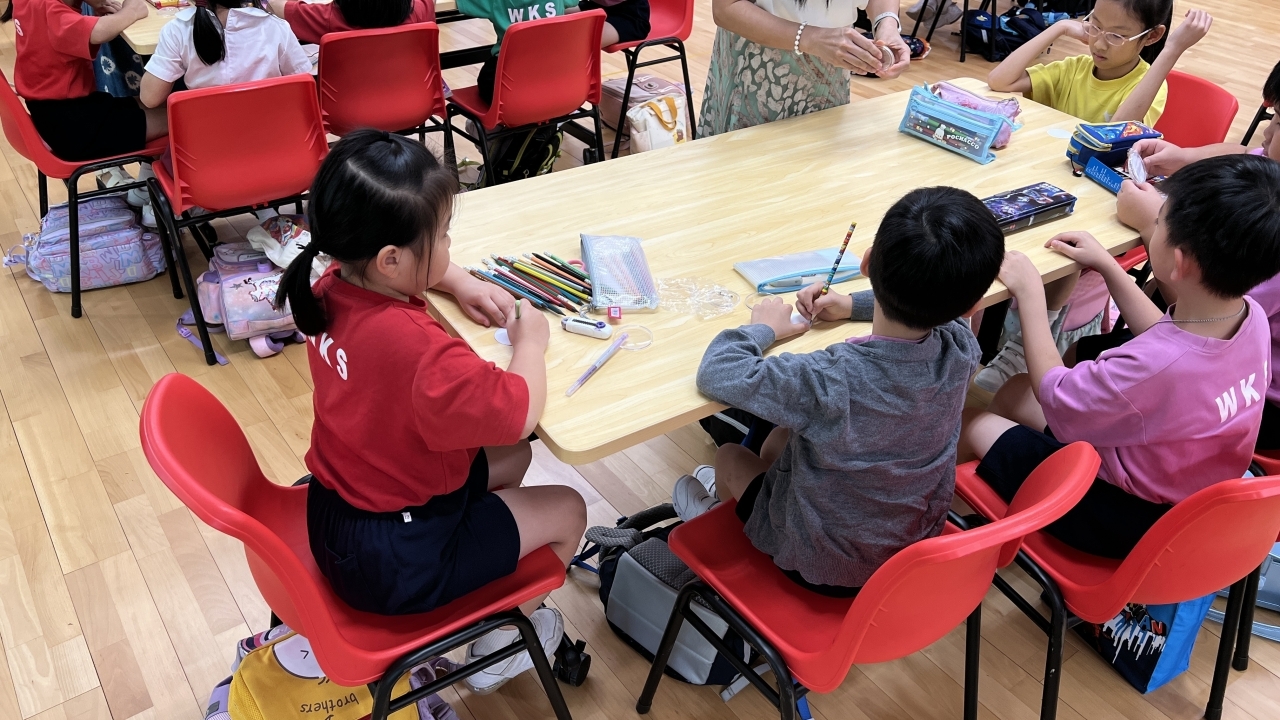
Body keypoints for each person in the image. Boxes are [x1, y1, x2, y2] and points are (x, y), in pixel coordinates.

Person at [274, 131, 587, 694]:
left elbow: (508, 437)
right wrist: (531, 342)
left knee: (512, 458)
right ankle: (497, 651)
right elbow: (519, 410)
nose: (447, 244)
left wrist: (459, 280)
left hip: (336, 514)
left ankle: (482, 558)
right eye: (441, 235)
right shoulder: (420, 352)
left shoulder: (328, 285)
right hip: (396, 561)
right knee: (568, 508)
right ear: (391, 259)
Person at [675, 187, 1004, 596]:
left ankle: (730, 540)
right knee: (779, 441)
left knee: (729, 456)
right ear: (972, 307)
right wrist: (850, 306)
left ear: (866, 263)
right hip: (910, 550)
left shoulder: (830, 379)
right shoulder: (962, 348)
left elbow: (719, 373)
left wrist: (763, 327)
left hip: (820, 563)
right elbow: (942, 313)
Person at [961, 155, 1280, 559]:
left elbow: (1054, 391)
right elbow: (1166, 338)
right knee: (1014, 390)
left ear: (1178, 262)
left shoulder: (1155, 370)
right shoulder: (1249, 317)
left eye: (1158, 222)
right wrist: (1108, 266)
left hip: (1122, 517)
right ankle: (998, 492)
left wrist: (1030, 294)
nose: (1155, 225)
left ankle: (948, 527)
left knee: (970, 421)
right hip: (1188, 499)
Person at [1114, 63, 1280, 449]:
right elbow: (1249, 152)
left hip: (1250, 400)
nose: (1267, 131)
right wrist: (1185, 157)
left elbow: (1201, 321)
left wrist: (1151, 226)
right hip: (1215, 356)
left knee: (1077, 364)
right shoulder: (1273, 172)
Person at [698, 0, 910, 137]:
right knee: (745, 172)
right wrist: (811, 39)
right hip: (759, 64)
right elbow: (726, 8)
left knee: (818, 170)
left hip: (833, 65)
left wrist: (887, 23)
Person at [988, 1, 1211, 127]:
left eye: (1116, 36)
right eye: (1095, 26)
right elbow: (999, 81)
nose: (1099, 44)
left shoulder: (1149, 88)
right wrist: (1059, 27)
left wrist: (1171, 51)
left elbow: (1115, 135)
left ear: (1152, 36)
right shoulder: (1074, 68)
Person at [13, 0, 167, 162]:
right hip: (76, 130)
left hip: (57, 116)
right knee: (178, 117)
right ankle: (151, 174)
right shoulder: (56, 17)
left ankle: (149, 173)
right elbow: (98, 31)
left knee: (164, 104)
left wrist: (96, 7)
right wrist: (131, 12)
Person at [265, 0, 436, 46]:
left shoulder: (328, 18)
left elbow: (274, 5)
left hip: (345, 113)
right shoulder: (421, 10)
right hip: (413, 104)